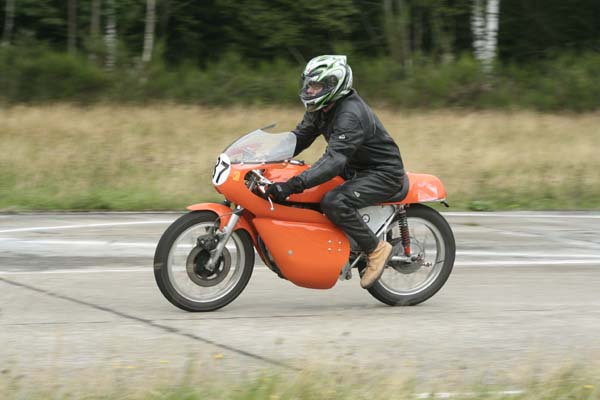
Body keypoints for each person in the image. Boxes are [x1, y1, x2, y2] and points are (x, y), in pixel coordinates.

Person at [266, 55, 406, 289]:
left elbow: (333, 161)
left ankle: (376, 249)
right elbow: (300, 137)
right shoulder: (320, 107)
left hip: (382, 173)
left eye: (316, 85)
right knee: (307, 199)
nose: (310, 90)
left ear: (334, 85)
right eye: (308, 85)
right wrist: (263, 158)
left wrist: (293, 184)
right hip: (356, 169)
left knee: (334, 201)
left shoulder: (349, 115)